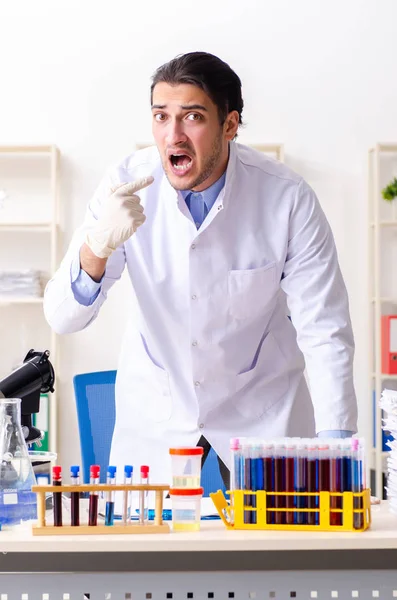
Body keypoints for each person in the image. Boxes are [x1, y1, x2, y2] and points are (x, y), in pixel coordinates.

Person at [44, 51, 357, 488]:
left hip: (262, 411)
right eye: (160, 116)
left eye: (192, 117)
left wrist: (337, 449)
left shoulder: (287, 198)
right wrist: (96, 248)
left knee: (277, 548)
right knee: (151, 548)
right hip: (159, 409)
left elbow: (324, 329)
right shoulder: (125, 186)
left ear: (230, 124)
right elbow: (63, 317)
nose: (173, 136)